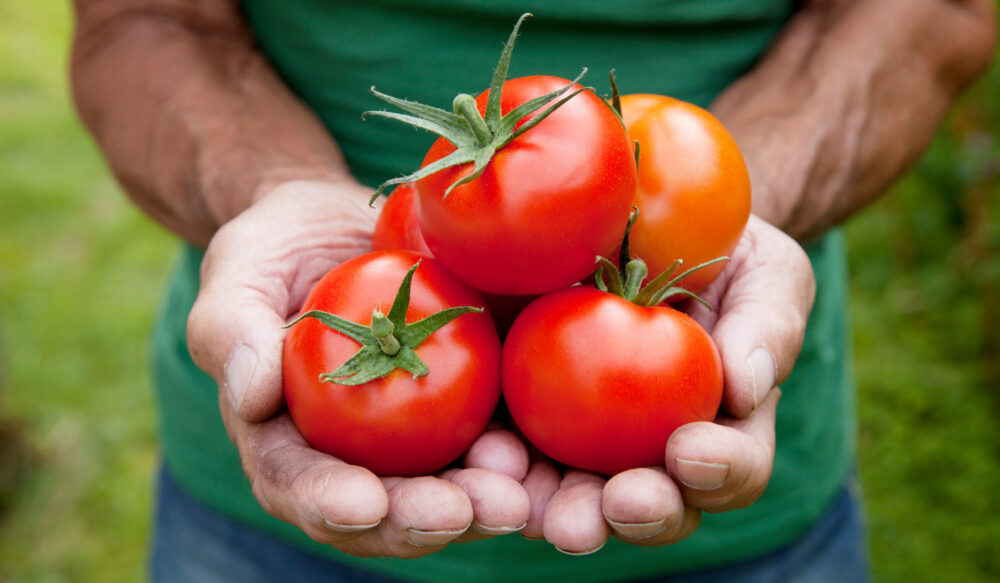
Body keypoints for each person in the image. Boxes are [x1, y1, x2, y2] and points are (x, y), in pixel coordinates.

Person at [69, 1, 996, 581]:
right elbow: (137, 20)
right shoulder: (426, 235)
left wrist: (731, 216)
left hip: (751, 528)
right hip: (259, 514)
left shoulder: (503, 200)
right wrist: (271, 192)